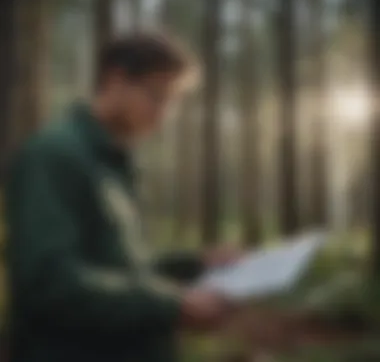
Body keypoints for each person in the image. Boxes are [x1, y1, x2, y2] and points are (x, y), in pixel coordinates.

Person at [5, 32, 241, 362]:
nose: (164, 113)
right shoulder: (54, 155)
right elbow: (49, 281)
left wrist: (196, 263)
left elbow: (122, 271)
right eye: (157, 96)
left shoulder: (115, 165)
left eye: (173, 101)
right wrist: (173, 305)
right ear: (115, 79)